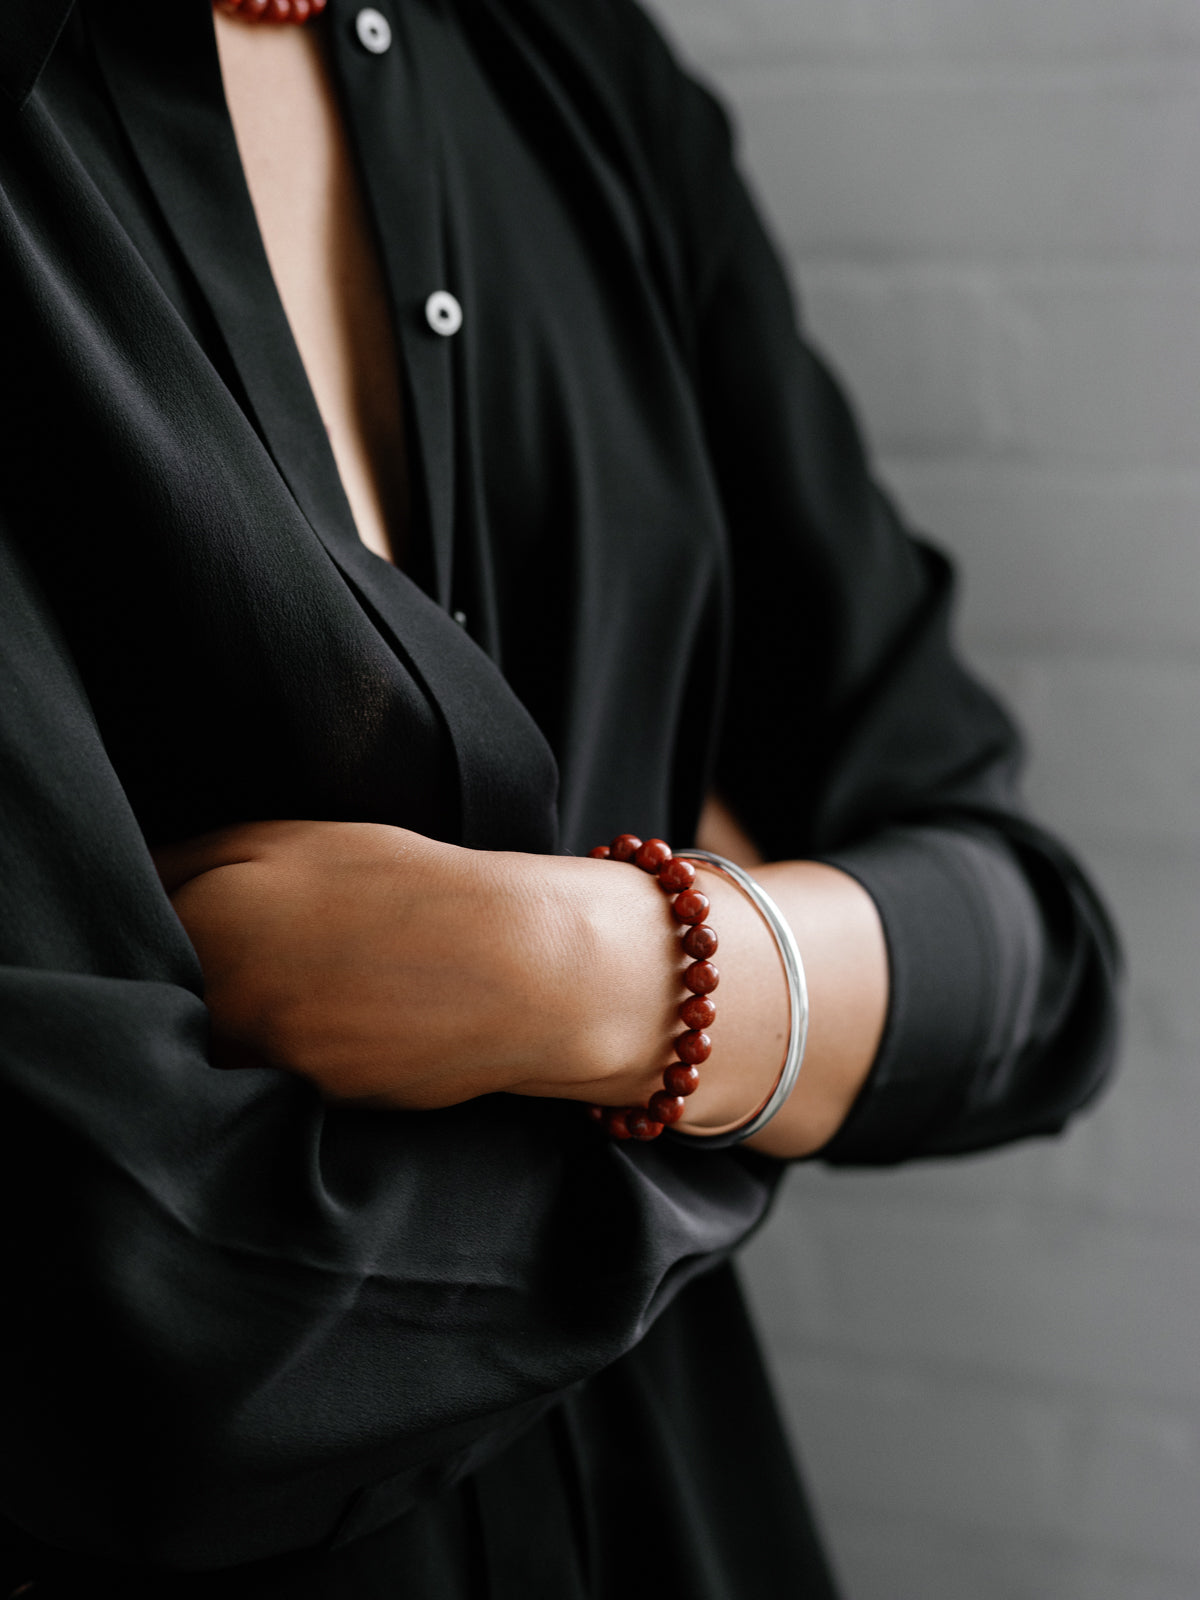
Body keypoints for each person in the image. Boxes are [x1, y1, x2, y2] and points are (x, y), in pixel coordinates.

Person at [0, 0, 1120, 1594]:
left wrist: (597, 975)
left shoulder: (573, 62)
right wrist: (792, 1050)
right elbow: (133, 1336)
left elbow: (1030, 951)